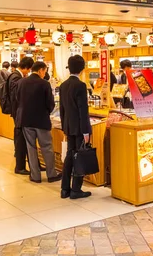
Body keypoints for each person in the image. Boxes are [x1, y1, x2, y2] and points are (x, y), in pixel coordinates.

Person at [18, 61, 62, 183]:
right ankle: (51, 174)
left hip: (26, 120)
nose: (45, 74)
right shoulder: (44, 84)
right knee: (46, 147)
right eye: (45, 71)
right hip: (41, 120)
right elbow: (50, 103)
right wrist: (46, 112)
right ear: (41, 70)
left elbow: (17, 99)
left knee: (31, 147)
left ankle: (35, 176)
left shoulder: (21, 82)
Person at [60, 55, 92, 200]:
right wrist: (86, 130)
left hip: (68, 126)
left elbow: (62, 109)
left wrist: (64, 126)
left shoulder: (63, 85)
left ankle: (64, 189)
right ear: (82, 69)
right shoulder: (80, 86)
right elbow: (83, 110)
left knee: (69, 156)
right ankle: (76, 189)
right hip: (79, 128)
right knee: (78, 157)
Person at [6, 57, 34, 174]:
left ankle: (26, 165)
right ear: (27, 68)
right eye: (29, 69)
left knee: (22, 138)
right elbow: (16, 96)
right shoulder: (16, 77)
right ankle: (20, 167)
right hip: (19, 112)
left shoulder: (16, 76)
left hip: (18, 112)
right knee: (20, 139)